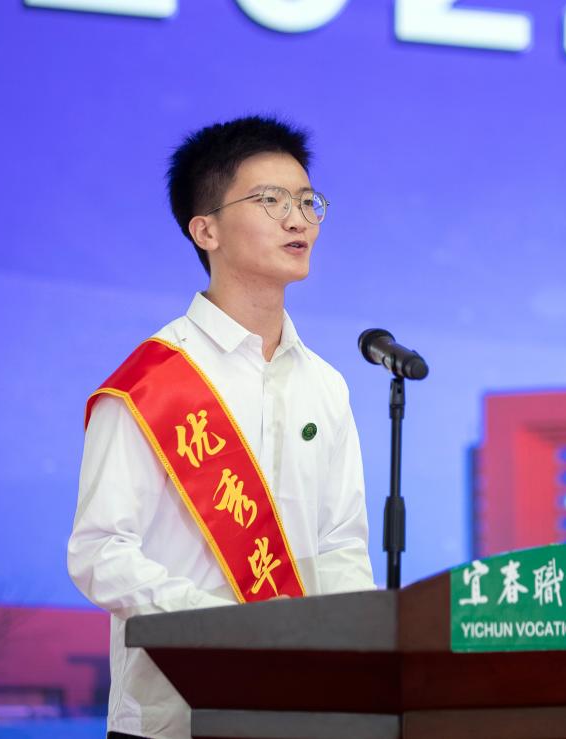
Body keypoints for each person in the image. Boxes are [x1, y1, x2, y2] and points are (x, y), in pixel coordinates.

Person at [67, 116, 375, 739]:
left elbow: (341, 545)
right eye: (270, 201)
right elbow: (99, 553)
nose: (298, 220)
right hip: (172, 717)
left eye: (307, 202)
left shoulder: (327, 384)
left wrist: (355, 659)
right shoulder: (149, 384)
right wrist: (225, 629)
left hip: (302, 713)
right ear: (205, 229)